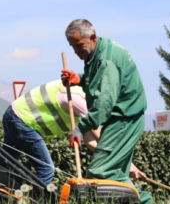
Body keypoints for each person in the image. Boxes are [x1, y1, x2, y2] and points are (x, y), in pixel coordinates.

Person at [61, 19, 153, 203]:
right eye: (72, 47)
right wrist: (81, 79)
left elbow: (104, 105)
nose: (76, 51)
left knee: (100, 173)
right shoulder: (100, 51)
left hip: (124, 120)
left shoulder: (106, 60)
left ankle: (144, 201)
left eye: (79, 45)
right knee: (116, 176)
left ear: (92, 37)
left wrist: (81, 127)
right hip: (123, 119)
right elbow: (101, 81)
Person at [0, 79, 146, 185]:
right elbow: (101, 138)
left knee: (3, 167)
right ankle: (28, 199)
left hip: (14, 116)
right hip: (23, 121)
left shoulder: (85, 101)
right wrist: (127, 163)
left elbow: (91, 141)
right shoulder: (80, 99)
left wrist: (122, 164)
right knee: (46, 170)